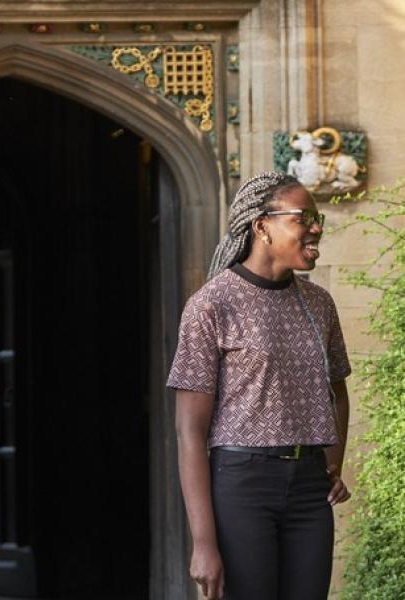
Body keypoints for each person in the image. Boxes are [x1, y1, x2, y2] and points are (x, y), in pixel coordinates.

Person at [167, 171, 352, 600]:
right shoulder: (211, 305)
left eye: (317, 216)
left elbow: (337, 387)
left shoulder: (319, 302)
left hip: (310, 489)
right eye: (302, 217)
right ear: (262, 226)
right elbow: (189, 432)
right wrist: (204, 543)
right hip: (242, 486)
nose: (316, 227)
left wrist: (333, 463)